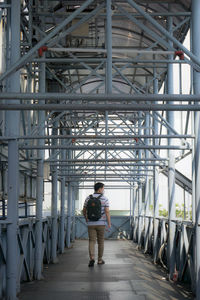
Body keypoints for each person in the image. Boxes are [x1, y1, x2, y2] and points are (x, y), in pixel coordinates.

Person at [83, 182, 111, 267]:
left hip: (91, 223)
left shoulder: (88, 198)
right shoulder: (104, 198)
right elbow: (107, 211)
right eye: (103, 188)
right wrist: (109, 223)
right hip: (101, 224)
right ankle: (99, 260)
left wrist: (86, 218)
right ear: (100, 189)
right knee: (101, 242)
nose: (103, 190)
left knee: (91, 241)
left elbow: (84, 210)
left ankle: (91, 258)